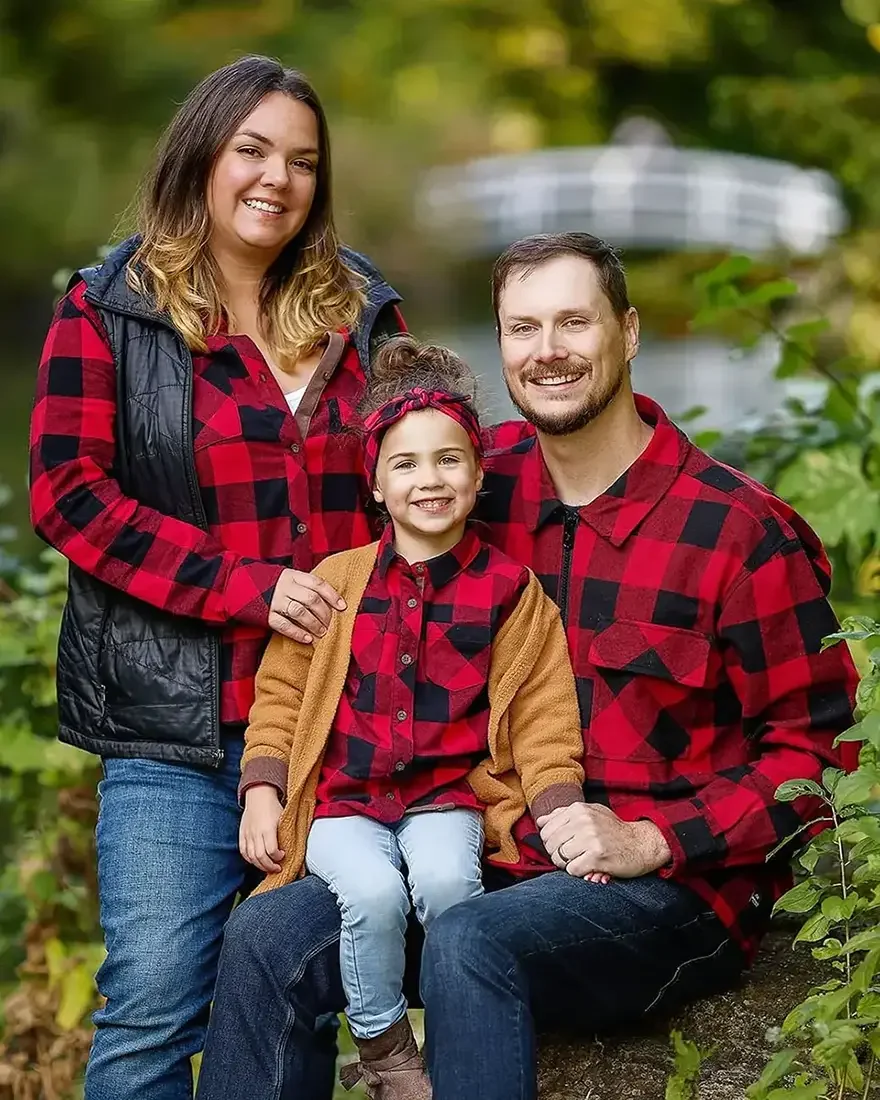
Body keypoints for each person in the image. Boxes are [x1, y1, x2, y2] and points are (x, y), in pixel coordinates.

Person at [194, 232, 857, 1100]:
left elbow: (817, 762)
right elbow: (345, 592)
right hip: (480, 851)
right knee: (266, 939)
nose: (547, 351)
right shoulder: (469, 485)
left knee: (474, 942)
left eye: (574, 323)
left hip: (664, 891)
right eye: (521, 328)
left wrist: (655, 838)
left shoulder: (737, 533)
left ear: (629, 331)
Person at [28, 55, 403, 1100]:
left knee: (291, 1001)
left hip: (330, 720)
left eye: (303, 161)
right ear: (202, 152)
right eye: (253, 150)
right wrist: (243, 583)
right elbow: (68, 493)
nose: (276, 179)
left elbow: (426, 482)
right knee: (151, 1003)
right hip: (173, 732)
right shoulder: (108, 309)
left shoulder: (361, 313)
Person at [238, 334, 591, 1100]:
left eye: (448, 460)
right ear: (375, 484)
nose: (429, 480)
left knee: (448, 884)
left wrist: (562, 810)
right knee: (369, 893)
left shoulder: (510, 590)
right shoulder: (336, 583)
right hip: (343, 801)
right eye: (405, 463)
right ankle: (386, 1046)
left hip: (444, 798)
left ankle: (457, 1032)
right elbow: (281, 696)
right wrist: (264, 789)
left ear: (476, 471)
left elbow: (543, 714)